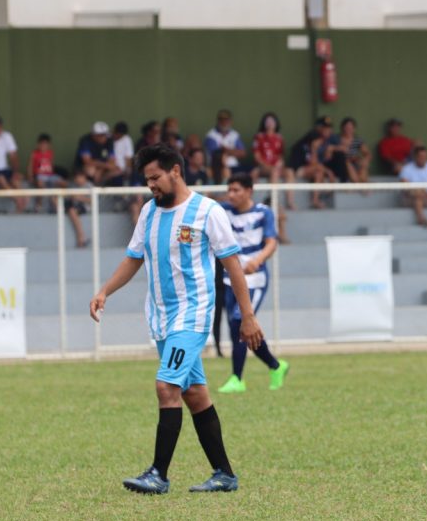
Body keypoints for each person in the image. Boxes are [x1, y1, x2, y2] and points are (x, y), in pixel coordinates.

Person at [89, 143, 263, 494]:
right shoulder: (149, 212)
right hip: (162, 319)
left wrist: (248, 316)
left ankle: (158, 474)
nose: (151, 185)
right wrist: (105, 290)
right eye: (147, 180)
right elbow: (133, 258)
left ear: (176, 171)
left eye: (155, 177)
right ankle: (224, 474)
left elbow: (232, 264)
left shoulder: (207, 211)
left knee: (166, 386)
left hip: (193, 315)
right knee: (195, 394)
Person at [216, 173, 290, 394]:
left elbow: (272, 242)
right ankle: (276, 366)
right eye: (229, 190)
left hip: (254, 279)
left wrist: (256, 261)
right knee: (238, 329)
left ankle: (237, 379)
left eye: (236, 190)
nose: (231, 194)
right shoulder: (223, 211)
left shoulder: (263, 212)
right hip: (231, 278)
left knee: (241, 321)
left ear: (249, 191)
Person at [290, 116, 338, 209]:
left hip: (307, 170)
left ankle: (315, 200)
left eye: (328, 128)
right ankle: (325, 190)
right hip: (296, 170)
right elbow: (313, 163)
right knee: (320, 169)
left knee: (319, 173)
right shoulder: (312, 138)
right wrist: (329, 172)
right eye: (325, 128)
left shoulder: (325, 140)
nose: (328, 130)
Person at [253, 112, 296, 210]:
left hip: (276, 167)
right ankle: (274, 201)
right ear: (263, 123)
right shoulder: (259, 137)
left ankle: (290, 202)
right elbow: (257, 156)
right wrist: (266, 165)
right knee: (274, 171)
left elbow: (281, 155)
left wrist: (280, 163)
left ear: (276, 123)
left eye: (272, 121)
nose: (270, 123)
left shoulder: (279, 138)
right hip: (263, 167)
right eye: (267, 121)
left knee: (289, 172)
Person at [399, 146, 427, 229]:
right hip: (410, 197)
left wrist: (426, 195)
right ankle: (422, 219)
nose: (423, 159)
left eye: (425, 157)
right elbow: (404, 185)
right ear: (415, 157)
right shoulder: (406, 168)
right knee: (418, 194)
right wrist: (417, 192)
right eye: (421, 157)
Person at [205, 109, 248, 183]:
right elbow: (216, 153)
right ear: (218, 121)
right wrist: (233, 151)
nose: (224, 122)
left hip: (235, 166)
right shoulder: (211, 135)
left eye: (226, 120)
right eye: (222, 120)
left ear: (230, 121)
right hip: (217, 168)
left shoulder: (235, 134)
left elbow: (243, 153)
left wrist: (226, 150)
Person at [75, 121, 123, 186]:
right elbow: (87, 161)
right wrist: (103, 166)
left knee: (118, 170)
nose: (104, 137)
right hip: (84, 168)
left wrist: (101, 170)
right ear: (94, 135)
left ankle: (102, 185)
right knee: (91, 170)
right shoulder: (85, 141)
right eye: (101, 135)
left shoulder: (109, 141)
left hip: (102, 169)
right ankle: (93, 186)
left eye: (104, 135)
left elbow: (112, 161)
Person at [28, 133, 66, 212]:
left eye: (46, 144)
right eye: (42, 144)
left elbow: (51, 166)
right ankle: (39, 205)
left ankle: (58, 200)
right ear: (38, 145)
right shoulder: (34, 153)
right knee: (40, 183)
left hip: (50, 176)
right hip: (39, 176)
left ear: (49, 145)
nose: (43, 146)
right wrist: (30, 177)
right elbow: (30, 166)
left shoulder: (50, 153)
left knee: (63, 183)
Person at [330, 117, 372, 184]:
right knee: (348, 162)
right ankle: (357, 183)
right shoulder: (336, 138)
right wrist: (339, 148)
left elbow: (367, 153)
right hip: (341, 165)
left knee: (363, 164)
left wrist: (366, 160)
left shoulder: (357, 140)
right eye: (346, 127)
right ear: (342, 128)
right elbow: (329, 150)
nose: (348, 130)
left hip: (355, 162)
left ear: (354, 129)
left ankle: (364, 184)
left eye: (350, 128)